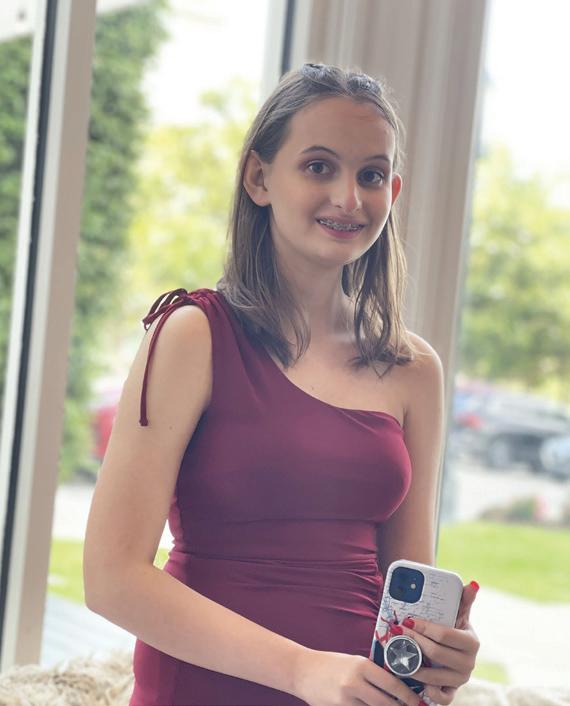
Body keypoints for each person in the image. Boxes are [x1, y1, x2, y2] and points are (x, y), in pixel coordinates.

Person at [83, 62, 480, 706]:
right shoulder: (192, 334)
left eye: (371, 175)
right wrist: (302, 670)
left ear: (393, 191)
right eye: (319, 166)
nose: (349, 198)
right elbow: (111, 578)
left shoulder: (414, 369)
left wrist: (437, 656)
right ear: (259, 178)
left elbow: (405, 588)